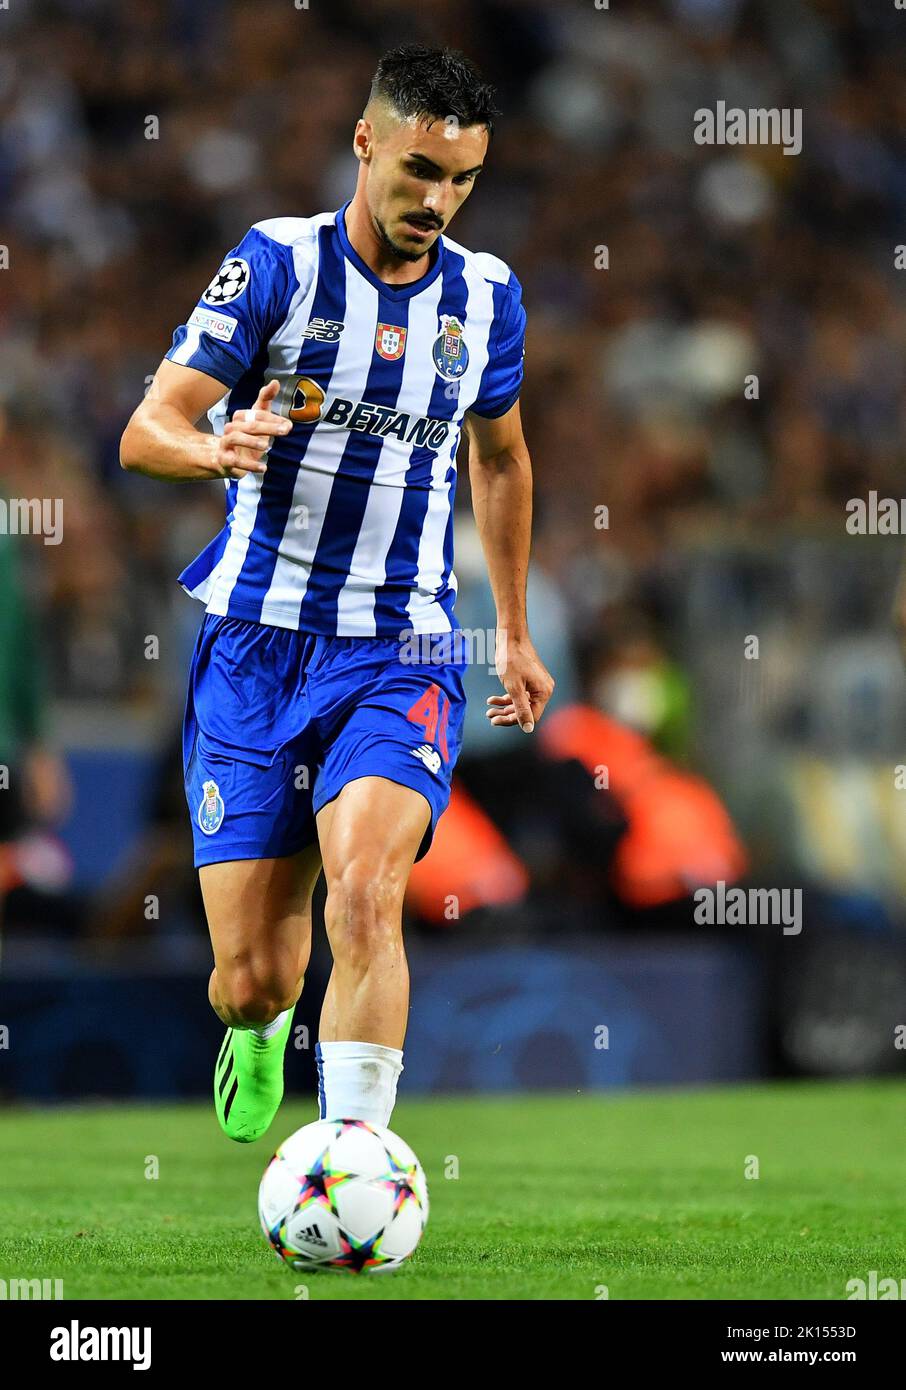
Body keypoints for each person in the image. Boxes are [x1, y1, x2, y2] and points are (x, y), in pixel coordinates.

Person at [119, 44, 553, 1142]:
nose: (437, 200)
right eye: (418, 171)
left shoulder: (488, 296)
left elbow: (499, 459)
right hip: (256, 646)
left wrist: (510, 627)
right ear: (365, 143)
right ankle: (259, 1029)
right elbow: (147, 428)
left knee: (364, 891)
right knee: (252, 975)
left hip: (403, 647)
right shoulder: (277, 264)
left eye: (461, 179)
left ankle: (359, 1160)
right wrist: (217, 450)